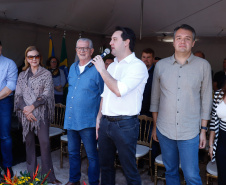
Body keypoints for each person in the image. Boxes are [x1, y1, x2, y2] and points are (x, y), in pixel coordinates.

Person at [150, 24, 212, 185]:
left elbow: (206, 100)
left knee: (191, 175)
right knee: (170, 171)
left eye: (187, 39)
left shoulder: (203, 66)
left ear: (193, 43)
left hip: (190, 131)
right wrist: (155, 126)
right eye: (179, 38)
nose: (182, 42)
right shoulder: (161, 66)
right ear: (173, 42)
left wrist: (203, 130)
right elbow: (155, 99)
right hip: (164, 129)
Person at [92, 26, 148, 185]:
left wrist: (102, 70)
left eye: (114, 39)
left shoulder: (137, 66)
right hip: (106, 123)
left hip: (125, 124)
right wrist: (99, 117)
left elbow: (118, 90)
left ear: (126, 42)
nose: (110, 43)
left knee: (129, 169)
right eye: (111, 39)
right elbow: (106, 93)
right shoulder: (114, 65)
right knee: (106, 166)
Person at [14, 46, 61, 185]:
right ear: (26, 59)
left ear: (39, 58)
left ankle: (49, 176)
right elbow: (18, 96)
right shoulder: (22, 75)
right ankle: (31, 175)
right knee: (29, 144)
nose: (34, 59)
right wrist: (26, 110)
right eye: (30, 57)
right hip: (26, 115)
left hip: (41, 113)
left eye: (36, 56)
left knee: (45, 143)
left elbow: (46, 94)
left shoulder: (46, 74)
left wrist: (33, 106)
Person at [64, 38, 103, 185]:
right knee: (73, 153)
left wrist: (99, 118)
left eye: (85, 48)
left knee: (92, 156)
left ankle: (94, 182)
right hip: (71, 119)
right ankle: (74, 181)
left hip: (88, 121)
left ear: (92, 51)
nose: (82, 51)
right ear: (76, 50)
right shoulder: (72, 68)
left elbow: (103, 96)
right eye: (79, 48)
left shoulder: (98, 70)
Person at [140, 48, 161, 176]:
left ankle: (153, 169)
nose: (146, 60)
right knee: (137, 140)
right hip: (137, 113)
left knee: (152, 142)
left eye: (148, 57)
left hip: (151, 113)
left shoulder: (157, 73)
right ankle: (140, 164)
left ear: (153, 59)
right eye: (143, 57)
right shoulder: (137, 71)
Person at [0, 40, 17, 177]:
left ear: (0, 47)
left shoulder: (9, 63)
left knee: (5, 136)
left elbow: (10, 86)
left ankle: (7, 167)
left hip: (3, 102)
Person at [209, 76, 226, 185]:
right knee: (222, 178)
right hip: (222, 142)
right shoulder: (218, 94)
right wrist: (210, 144)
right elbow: (214, 121)